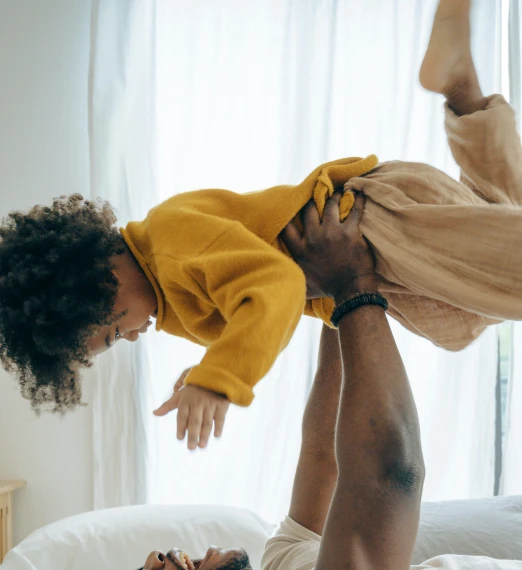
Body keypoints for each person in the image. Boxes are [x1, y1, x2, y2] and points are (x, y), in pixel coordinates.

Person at [98, 193, 522, 570]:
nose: (156, 556)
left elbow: (324, 453)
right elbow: (391, 473)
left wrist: (326, 306)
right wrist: (354, 288)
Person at [1, 0, 521, 451]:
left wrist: (220, 378)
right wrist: (209, 367)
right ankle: (465, 97)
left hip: (367, 223)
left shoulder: (171, 242)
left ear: (100, 279)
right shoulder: (168, 284)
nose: (131, 337)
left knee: (509, 273)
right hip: (382, 259)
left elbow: (276, 286)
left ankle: (461, 89)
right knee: (467, 312)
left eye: (113, 331)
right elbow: (247, 304)